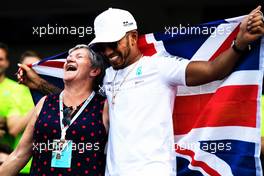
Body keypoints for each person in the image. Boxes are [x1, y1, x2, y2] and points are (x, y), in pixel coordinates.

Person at [17, 6, 264, 176]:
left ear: (133, 37)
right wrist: (38, 84)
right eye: (102, 46)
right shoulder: (108, 73)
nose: (108, 51)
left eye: (113, 43)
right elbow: (78, 98)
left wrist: (239, 43)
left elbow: (212, 70)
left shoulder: (160, 66)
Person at [0, 44, 109, 176]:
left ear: (94, 71)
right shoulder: (45, 102)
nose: (69, 59)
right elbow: (19, 154)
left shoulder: (103, 106)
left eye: (79, 56)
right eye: (68, 57)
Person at [0, 43, 35, 168]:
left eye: (1, 59)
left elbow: (12, 127)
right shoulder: (19, 90)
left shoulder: (16, 89)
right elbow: (13, 127)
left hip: (29, 160)